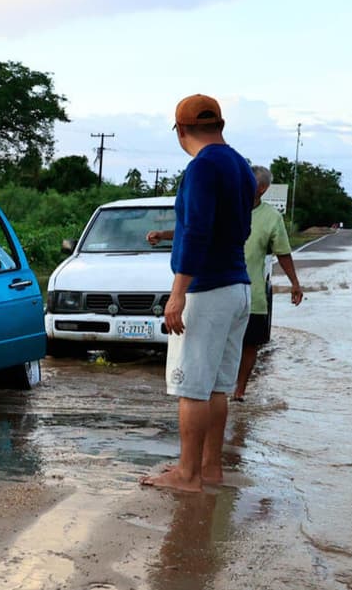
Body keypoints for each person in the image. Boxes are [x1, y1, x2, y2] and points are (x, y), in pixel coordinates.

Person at [140, 94, 254, 493]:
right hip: (238, 286)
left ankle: (187, 475)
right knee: (217, 386)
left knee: (191, 387)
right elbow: (235, 228)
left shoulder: (202, 166)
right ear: (220, 126)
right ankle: (209, 469)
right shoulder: (240, 164)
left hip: (207, 290)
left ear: (181, 130)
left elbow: (198, 231)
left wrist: (178, 293)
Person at [233, 165, 304, 401]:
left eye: (248, 182)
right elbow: (193, 229)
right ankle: (217, 388)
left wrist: (295, 283)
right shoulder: (226, 208)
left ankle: (239, 391)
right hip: (222, 290)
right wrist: (164, 235)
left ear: (261, 189)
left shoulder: (272, 217)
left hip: (253, 294)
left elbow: (283, 252)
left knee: (250, 345)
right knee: (220, 345)